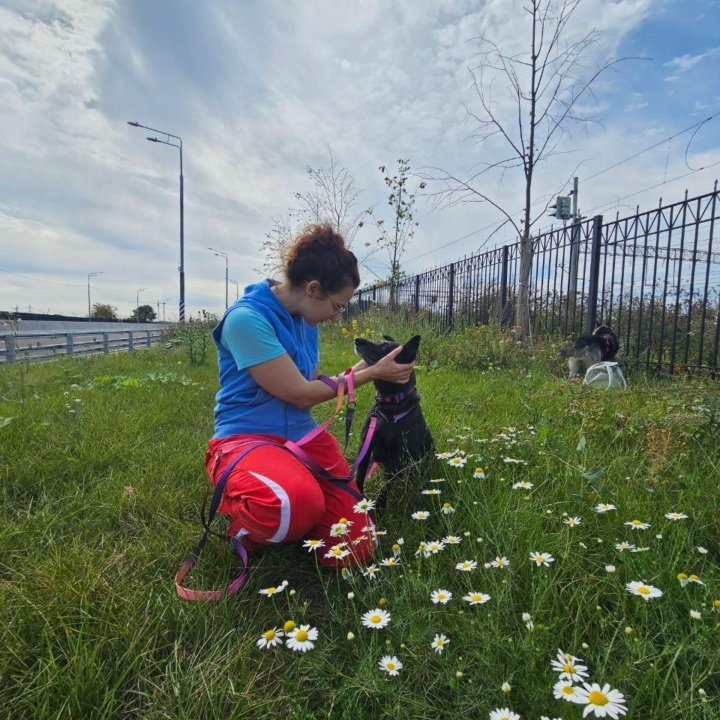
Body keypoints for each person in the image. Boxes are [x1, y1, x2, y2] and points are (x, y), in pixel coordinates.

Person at [205, 224, 415, 567]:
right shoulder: (246, 320)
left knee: (357, 547)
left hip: (300, 437)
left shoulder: (305, 318)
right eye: (337, 305)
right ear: (314, 289)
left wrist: (371, 361)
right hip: (247, 437)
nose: (336, 316)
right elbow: (300, 394)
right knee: (293, 506)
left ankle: (295, 508)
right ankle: (244, 514)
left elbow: (314, 380)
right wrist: (372, 374)